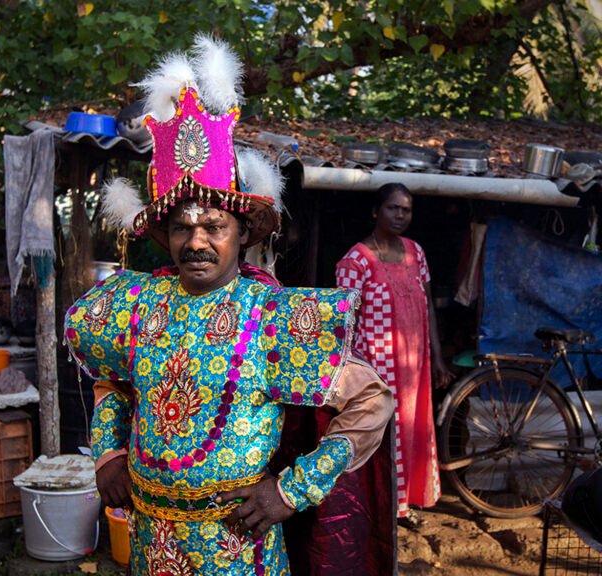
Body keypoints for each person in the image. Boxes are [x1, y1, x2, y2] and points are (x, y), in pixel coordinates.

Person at [63, 35, 394, 575]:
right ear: (165, 236)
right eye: (181, 228)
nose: (197, 242)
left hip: (239, 549)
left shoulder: (274, 316)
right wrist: (108, 453)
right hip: (151, 544)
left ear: (242, 234)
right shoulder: (137, 304)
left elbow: (371, 402)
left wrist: (291, 491)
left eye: (214, 227)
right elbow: (111, 380)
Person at [336, 182, 454, 526]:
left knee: (413, 430)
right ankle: (382, 506)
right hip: (375, 368)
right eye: (393, 208)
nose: (400, 215)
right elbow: (343, 320)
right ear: (376, 211)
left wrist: (439, 358)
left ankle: (403, 504)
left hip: (413, 365)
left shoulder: (416, 252)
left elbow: (428, 306)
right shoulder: (356, 260)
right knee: (382, 436)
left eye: (406, 209)